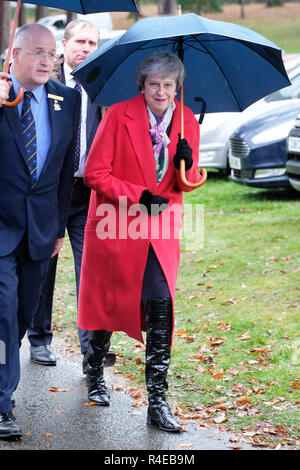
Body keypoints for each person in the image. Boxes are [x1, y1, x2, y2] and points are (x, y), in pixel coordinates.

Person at [77, 51, 202, 432]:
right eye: (154, 85)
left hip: (161, 229)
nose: (161, 92)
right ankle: (94, 370)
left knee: (161, 306)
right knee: (109, 306)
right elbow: (94, 174)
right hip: (117, 225)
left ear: (176, 86)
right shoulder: (117, 115)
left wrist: (188, 162)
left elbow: (189, 181)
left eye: (168, 85)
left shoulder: (186, 120)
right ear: (141, 85)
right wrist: (137, 196)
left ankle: (157, 402)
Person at [0, 23, 80, 439]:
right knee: (3, 311)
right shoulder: (0, 94)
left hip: (41, 229)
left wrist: (60, 227)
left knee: (21, 314)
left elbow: (66, 171)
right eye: (37, 52)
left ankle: (1, 370)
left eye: (52, 54)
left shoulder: (66, 100)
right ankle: (0, 402)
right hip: (0, 227)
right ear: (14, 54)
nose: (48, 60)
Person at [27, 19, 115, 372]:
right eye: (80, 41)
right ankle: (39, 337)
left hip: (87, 192)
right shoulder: (46, 82)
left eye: (92, 43)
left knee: (90, 270)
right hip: (50, 191)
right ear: (64, 45)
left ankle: (89, 350)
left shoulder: (104, 87)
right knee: (43, 267)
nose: (86, 49)